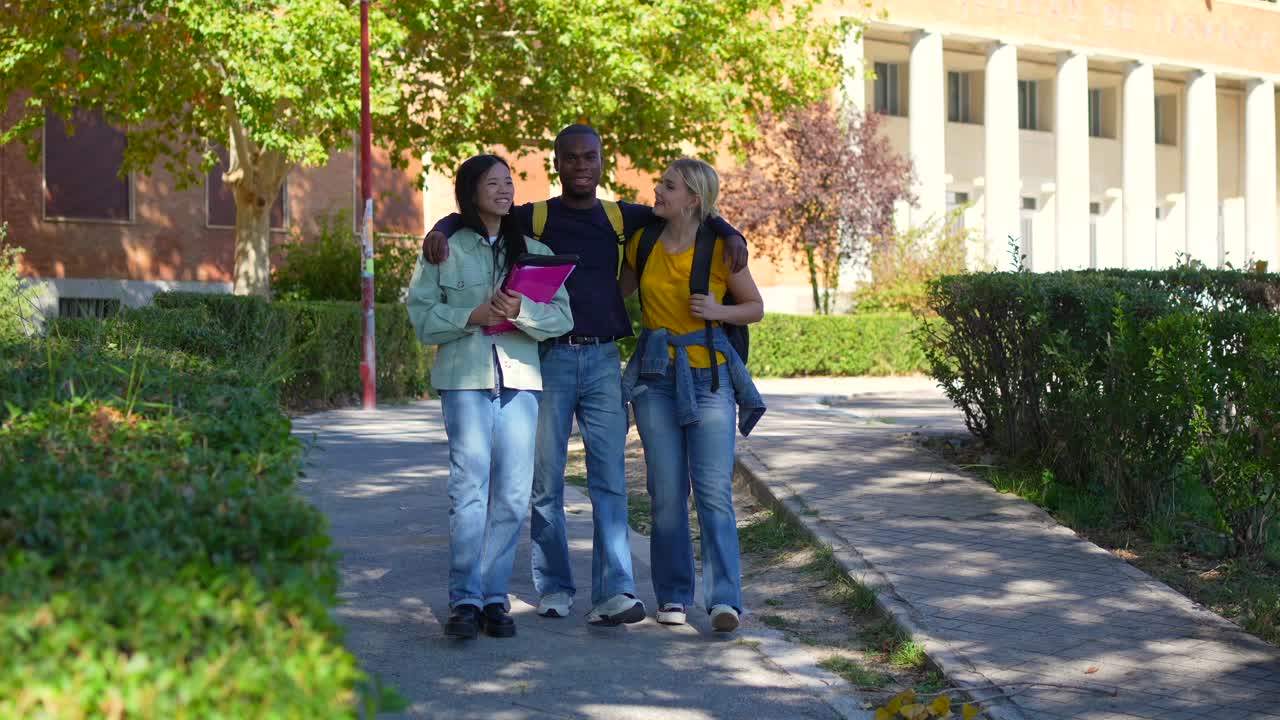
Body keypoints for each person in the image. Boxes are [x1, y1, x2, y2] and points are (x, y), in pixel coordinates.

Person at [420, 125, 750, 625]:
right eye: (570, 158)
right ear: (557, 163)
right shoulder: (535, 216)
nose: (580, 166)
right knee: (544, 484)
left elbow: (694, 208)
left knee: (610, 480)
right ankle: (555, 587)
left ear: (600, 162)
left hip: (602, 360)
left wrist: (730, 232)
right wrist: (441, 229)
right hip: (546, 359)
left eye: (589, 157)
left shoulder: (622, 216)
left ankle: (614, 591)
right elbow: (480, 208)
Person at [406, 154, 573, 640]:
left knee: (515, 492)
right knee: (468, 487)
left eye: (508, 182)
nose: (504, 190)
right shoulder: (443, 249)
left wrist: (522, 311)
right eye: (492, 183)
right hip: (464, 380)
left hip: (520, 380)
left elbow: (562, 318)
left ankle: (495, 597)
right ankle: (465, 599)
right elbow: (421, 317)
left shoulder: (536, 251)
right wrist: (471, 317)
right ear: (470, 191)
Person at [619, 158, 765, 633]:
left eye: (669, 185)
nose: (657, 190)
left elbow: (755, 308)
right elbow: (614, 294)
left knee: (713, 492)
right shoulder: (642, 242)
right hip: (655, 380)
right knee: (665, 492)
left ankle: (724, 601)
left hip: (710, 381)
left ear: (693, 199)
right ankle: (674, 595)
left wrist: (719, 310)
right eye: (661, 182)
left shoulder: (721, 248)